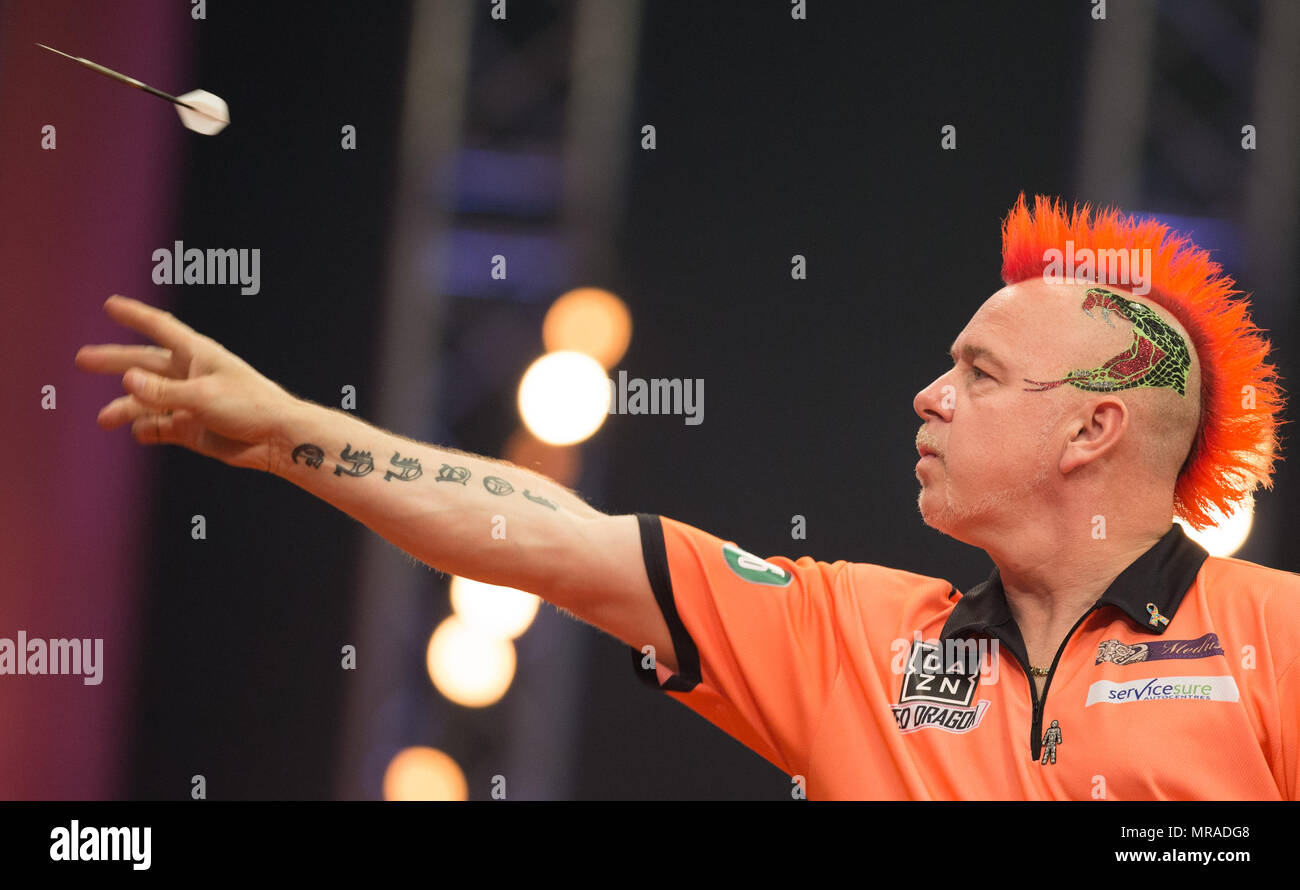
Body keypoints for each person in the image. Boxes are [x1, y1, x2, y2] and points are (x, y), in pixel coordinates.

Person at [75, 195, 1299, 800]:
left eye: (976, 373)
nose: (925, 397)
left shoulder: (1276, 639)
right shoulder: (853, 635)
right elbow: (550, 533)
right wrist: (288, 427)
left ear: (1092, 426)